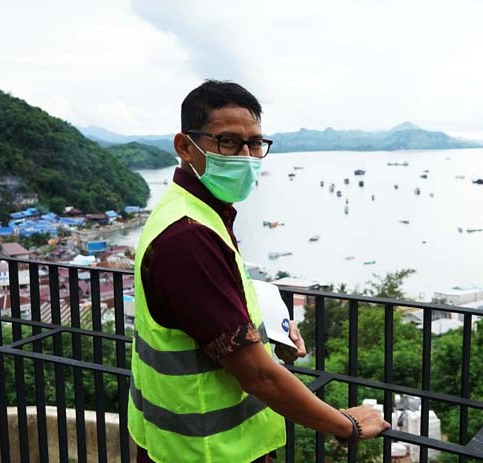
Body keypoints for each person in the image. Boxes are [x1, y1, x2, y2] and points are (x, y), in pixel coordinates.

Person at [128, 80, 389, 463]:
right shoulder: (187, 237)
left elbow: (212, 300)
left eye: (255, 143)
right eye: (228, 142)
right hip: (209, 452)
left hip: (181, 445)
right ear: (185, 146)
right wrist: (345, 424)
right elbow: (258, 375)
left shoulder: (191, 211)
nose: (247, 156)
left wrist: (271, 326)